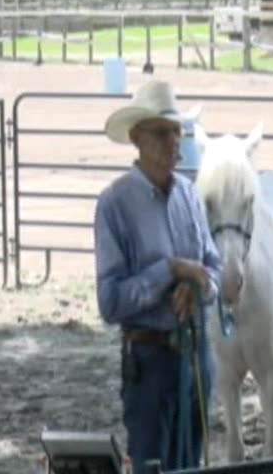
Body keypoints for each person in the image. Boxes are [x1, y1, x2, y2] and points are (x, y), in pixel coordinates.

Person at [94, 79, 223, 473]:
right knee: (152, 463)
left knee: (192, 459)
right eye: (162, 134)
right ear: (137, 138)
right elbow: (111, 302)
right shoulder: (114, 204)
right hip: (148, 361)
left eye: (177, 133)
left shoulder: (189, 194)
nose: (173, 144)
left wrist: (198, 285)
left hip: (196, 354)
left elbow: (213, 269)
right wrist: (168, 271)